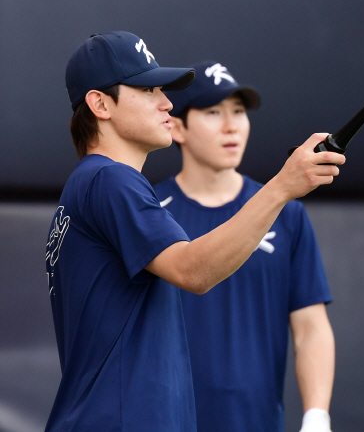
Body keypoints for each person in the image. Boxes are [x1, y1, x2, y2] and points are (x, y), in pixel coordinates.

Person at [44, 31, 344, 432]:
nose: (167, 102)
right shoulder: (110, 180)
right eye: (148, 88)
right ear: (100, 103)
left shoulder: (91, 184)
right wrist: (283, 186)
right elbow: (193, 271)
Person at [153, 60, 334, 432]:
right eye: (213, 111)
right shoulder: (149, 212)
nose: (231, 124)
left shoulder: (287, 214)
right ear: (178, 127)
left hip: (258, 422)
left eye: (238, 111)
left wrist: (317, 415)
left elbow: (311, 327)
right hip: (168, 421)